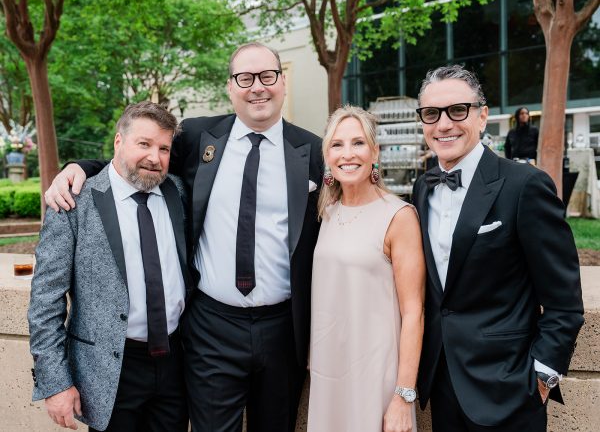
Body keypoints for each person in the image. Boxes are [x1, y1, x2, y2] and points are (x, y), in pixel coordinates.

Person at [43, 42, 323, 432]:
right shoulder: (198, 136)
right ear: (230, 87)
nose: (257, 87)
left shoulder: (313, 150)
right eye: (245, 78)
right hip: (211, 328)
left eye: (267, 76)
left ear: (282, 81)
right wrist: (78, 167)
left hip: (283, 328)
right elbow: (140, 161)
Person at [412, 65, 584, 431]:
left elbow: (564, 301)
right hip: (442, 385)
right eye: (431, 113)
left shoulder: (525, 186)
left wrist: (542, 376)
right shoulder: (422, 188)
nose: (444, 124)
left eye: (457, 110)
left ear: (482, 115)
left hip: (510, 391)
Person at [28, 102, 192, 431]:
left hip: (176, 365)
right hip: (109, 370)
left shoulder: (177, 191)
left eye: (164, 148)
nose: (154, 157)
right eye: (144, 144)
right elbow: (46, 299)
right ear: (119, 141)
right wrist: (55, 382)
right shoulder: (73, 202)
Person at [308, 106, 425, 432]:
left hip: (376, 377)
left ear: (375, 152)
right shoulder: (327, 212)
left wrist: (403, 395)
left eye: (358, 143)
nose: (348, 154)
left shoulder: (399, 216)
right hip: (329, 372)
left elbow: (414, 312)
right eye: (337, 144)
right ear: (327, 156)